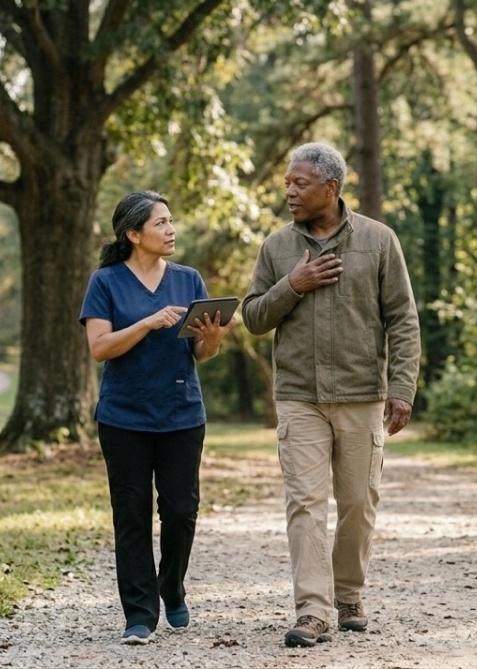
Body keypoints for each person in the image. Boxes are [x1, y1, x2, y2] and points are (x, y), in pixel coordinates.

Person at [242, 143, 420, 648]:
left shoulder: (379, 241)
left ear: (331, 188)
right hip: (299, 397)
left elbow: (403, 321)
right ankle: (313, 611)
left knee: (359, 502)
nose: (290, 192)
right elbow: (253, 317)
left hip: (363, 393)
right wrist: (292, 285)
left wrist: (402, 388)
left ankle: (348, 595)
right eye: (287, 184)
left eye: (300, 184)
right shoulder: (277, 248)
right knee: (305, 503)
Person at [79, 190, 236, 645]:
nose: (171, 230)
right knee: (131, 515)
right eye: (160, 223)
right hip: (124, 417)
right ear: (133, 234)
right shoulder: (105, 282)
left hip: (182, 414)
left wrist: (213, 338)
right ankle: (140, 613)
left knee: (182, 511)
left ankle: (172, 585)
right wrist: (147, 323)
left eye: (171, 221)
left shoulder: (189, 280)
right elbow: (99, 348)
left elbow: (202, 353)